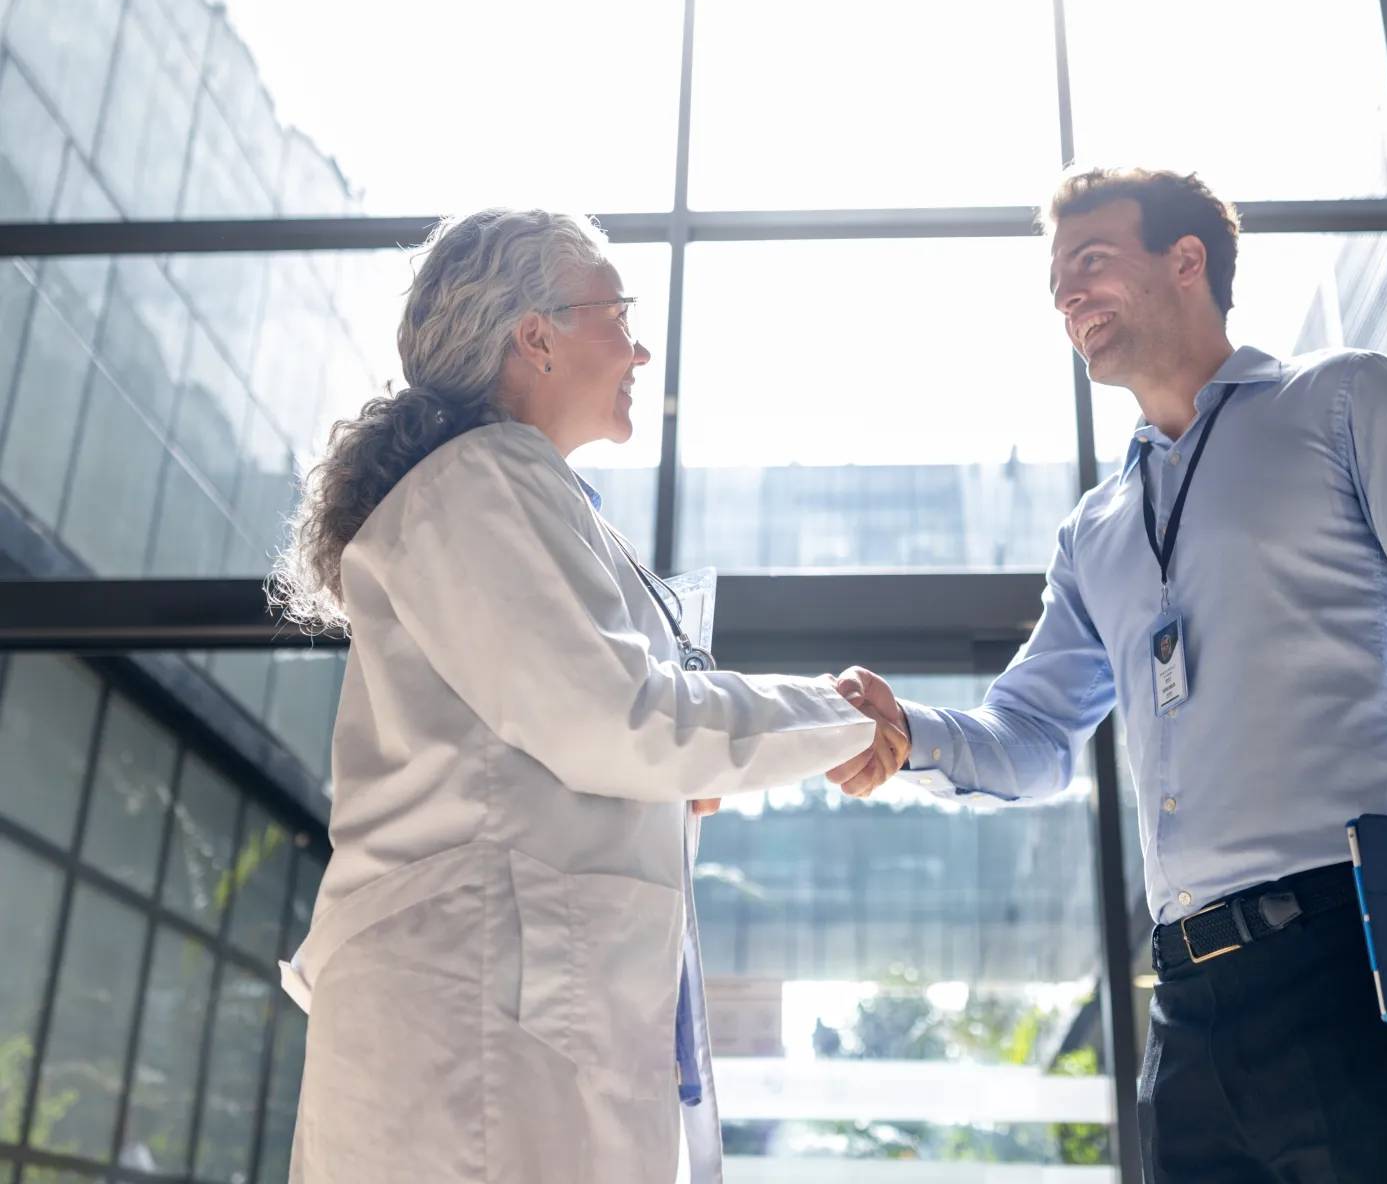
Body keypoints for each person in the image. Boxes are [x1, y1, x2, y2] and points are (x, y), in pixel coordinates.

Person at [832, 168, 1387, 1183]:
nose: (1065, 294)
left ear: (1186, 260)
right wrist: (910, 732)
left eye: (1090, 261)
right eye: (1053, 281)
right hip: (1189, 1003)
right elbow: (1033, 737)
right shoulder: (1094, 529)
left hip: (1360, 957)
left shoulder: (1343, 398)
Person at [270, 209, 908, 1184]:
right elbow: (619, 716)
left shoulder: (509, 493)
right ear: (536, 333)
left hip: (490, 1007)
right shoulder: (483, 482)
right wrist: (834, 719)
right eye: (619, 312)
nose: (640, 345)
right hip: (467, 1011)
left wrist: (668, 778)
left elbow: (582, 727)